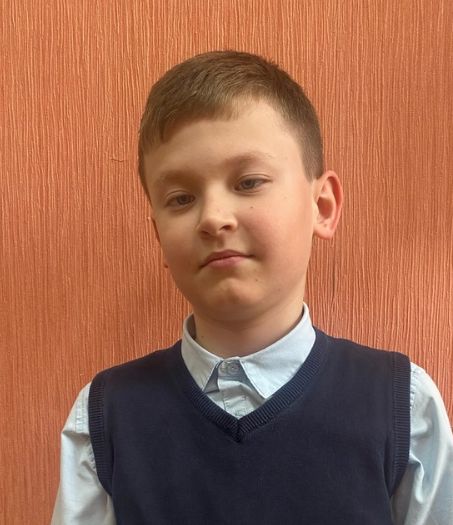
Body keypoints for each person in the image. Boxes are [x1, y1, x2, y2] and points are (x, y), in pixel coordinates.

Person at [51, 50, 453, 525]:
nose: (214, 218)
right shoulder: (103, 419)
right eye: (180, 198)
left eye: (248, 182)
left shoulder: (405, 408)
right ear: (159, 236)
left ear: (322, 207)